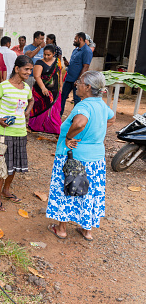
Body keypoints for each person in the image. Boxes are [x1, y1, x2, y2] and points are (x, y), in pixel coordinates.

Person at [46, 71, 115, 241]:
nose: (77, 84)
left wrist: (69, 137)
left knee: (68, 190)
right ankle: (87, 230)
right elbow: (111, 120)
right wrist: (96, 132)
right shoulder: (101, 104)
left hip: (75, 157)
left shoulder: (84, 105)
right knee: (89, 193)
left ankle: (61, 229)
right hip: (96, 159)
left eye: (80, 82)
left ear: (88, 87)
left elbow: (79, 123)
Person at [0, 55, 34, 211]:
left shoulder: (26, 88)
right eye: (26, 69)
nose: (29, 73)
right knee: (3, 164)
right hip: (4, 130)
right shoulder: (3, 86)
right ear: (17, 69)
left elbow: (31, 100)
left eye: (30, 70)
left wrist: (27, 112)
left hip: (20, 131)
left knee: (15, 163)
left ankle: (6, 190)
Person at [28, 44, 63, 134]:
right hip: (40, 90)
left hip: (54, 90)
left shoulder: (58, 61)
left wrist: (61, 86)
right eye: (45, 54)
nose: (46, 57)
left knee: (54, 110)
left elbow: (59, 74)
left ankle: (54, 129)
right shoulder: (40, 62)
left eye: (49, 55)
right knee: (40, 108)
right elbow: (37, 76)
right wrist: (43, 88)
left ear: (54, 54)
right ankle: (35, 127)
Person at [60, 32, 93, 116]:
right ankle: (58, 116)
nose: (74, 41)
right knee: (62, 97)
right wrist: (68, 64)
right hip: (69, 78)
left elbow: (85, 67)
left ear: (80, 39)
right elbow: (75, 64)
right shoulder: (75, 50)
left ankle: (76, 118)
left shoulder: (87, 51)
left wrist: (79, 80)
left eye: (75, 39)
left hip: (77, 81)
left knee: (77, 100)